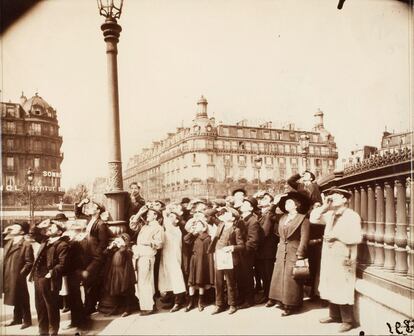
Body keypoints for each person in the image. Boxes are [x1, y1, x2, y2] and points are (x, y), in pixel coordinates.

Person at [310, 188, 362, 333]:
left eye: (337, 196)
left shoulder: (352, 216)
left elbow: (356, 237)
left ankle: (348, 320)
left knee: (342, 285)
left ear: (345, 199)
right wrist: (324, 207)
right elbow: (313, 218)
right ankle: (334, 315)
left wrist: (337, 236)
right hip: (330, 255)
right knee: (330, 283)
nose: (332, 198)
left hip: (344, 254)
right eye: (331, 196)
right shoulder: (331, 214)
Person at [267, 192, 311, 316]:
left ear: (297, 205)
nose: (286, 205)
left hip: (294, 251)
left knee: (292, 279)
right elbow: (270, 215)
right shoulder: (283, 218)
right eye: (286, 203)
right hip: (281, 251)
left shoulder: (303, 218)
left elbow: (304, 237)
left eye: (289, 203)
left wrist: (300, 253)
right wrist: (274, 203)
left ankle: (291, 304)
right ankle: (281, 300)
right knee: (280, 276)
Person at [29, 222, 69, 336]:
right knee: (40, 305)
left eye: (53, 227)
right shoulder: (45, 240)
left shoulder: (62, 245)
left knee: (51, 306)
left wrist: (50, 273)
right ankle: (43, 331)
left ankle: (53, 332)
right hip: (38, 277)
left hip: (50, 279)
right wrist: (39, 225)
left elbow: (63, 264)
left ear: (59, 232)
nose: (50, 228)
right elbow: (33, 233)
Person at [74, 198, 110, 316]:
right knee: (87, 282)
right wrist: (82, 203)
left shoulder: (100, 224)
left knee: (90, 280)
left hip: (95, 258)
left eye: (92, 206)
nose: (89, 207)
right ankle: (89, 305)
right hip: (87, 256)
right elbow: (78, 214)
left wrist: (97, 256)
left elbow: (103, 242)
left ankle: (90, 306)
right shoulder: (89, 219)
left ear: (98, 210)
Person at [208, 207, 245, 315]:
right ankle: (219, 304)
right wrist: (219, 207)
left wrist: (231, 248)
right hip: (219, 256)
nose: (224, 214)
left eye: (228, 213)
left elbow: (241, 245)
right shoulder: (221, 225)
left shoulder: (236, 230)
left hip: (229, 258)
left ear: (233, 218)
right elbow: (210, 214)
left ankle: (232, 304)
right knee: (218, 282)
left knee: (230, 282)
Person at [132, 207, 164, 316]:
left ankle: (148, 307)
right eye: (147, 214)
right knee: (144, 281)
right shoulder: (145, 226)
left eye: (150, 214)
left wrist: (148, 242)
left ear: (156, 216)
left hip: (147, 255)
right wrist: (139, 212)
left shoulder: (158, 228)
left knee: (145, 282)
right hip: (141, 255)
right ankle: (149, 304)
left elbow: (160, 244)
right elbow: (132, 225)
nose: (147, 216)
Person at [2, 222, 34, 330]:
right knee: (15, 296)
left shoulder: (26, 244)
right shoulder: (10, 241)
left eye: (16, 227)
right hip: (8, 274)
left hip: (17, 275)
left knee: (23, 297)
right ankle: (17, 318)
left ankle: (27, 320)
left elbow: (29, 262)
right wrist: (5, 231)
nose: (12, 228)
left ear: (22, 231)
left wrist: (22, 274)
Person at [183, 212, 215, 312]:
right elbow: (186, 239)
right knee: (191, 283)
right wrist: (191, 232)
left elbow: (209, 253)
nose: (196, 226)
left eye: (198, 224)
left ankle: (200, 301)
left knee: (201, 282)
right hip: (194, 261)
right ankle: (191, 302)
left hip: (203, 262)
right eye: (195, 225)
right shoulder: (193, 236)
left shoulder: (208, 238)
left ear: (204, 227)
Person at [158, 210, 187, 313]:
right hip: (166, 256)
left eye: (172, 216)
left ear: (177, 220)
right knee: (167, 278)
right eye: (169, 216)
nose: (169, 218)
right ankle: (171, 300)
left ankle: (178, 302)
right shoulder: (167, 230)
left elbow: (168, 225)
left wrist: (164, 214)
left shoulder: (176, 230)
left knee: (176, 278)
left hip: (173, 257)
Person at [103, 233, 137, 317]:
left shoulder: (127, 250)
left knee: (125, 290)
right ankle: (117, 308)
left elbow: (125, 253)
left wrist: (122, 246)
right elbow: (105, 253)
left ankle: (128, 309)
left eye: (122, 240)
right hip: (115, 272)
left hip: (124, 273)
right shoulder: (115, 249)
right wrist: (110, 247)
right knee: (115, 290)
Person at [237, 196, 261, 309]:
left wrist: (243, 251)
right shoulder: (242, 219)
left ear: (251, 208)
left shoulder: (253, 221)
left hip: (246, 253)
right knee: (240, 276)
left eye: (245, 204)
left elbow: (253, 240)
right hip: (240, 252)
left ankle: (249, 300)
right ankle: (241, 298)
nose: (242, 205)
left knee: (247, 276)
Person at [255, 192, 278, 304]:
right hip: (261, 249)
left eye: (265, 199)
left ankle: (271, 297)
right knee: (264, 273)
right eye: (261, 199)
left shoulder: (270, 214)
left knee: (268, 274)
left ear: (270, 202)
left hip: (268, 249)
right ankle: (266, 294)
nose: (261, 200)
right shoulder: (261, 214)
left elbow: (265, 232)